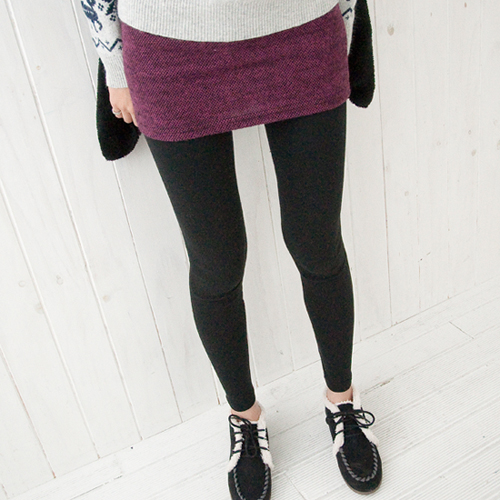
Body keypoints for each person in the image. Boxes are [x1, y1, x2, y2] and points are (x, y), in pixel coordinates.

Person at [81, 0, 382, 497]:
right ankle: (245, 416)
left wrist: (343, 21)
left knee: (317, 242)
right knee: (216, 262)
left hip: (302, 26)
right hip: (168, 45)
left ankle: (342, 401)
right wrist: (114, 64)